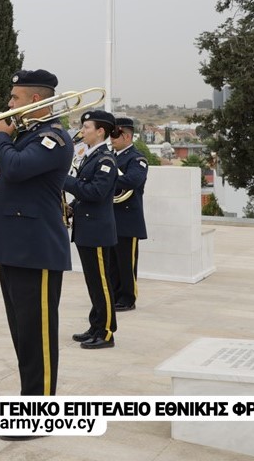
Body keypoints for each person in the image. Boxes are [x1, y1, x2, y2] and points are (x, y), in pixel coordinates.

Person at [0, 70, 73, 399]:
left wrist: (0, 139)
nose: (9, 104)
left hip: (37, 249)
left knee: (38, 336)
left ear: (35, 100)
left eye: (14, 98)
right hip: (14, 245)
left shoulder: (53, 138)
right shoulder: (28, 136)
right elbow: (8, 173)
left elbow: (17, 167)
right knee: (22, 332)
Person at [63, 109, 119, 350]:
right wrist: (72, 207)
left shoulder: (106, 160)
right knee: (93, 282)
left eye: (86, 128)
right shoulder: (90, 157)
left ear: (100, 132)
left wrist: (64, 180)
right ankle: (96, 325)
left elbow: (96, 193)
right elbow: (86, 194)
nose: (82, 131)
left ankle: (106, 332)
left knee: (101, 283)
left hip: (96, 230)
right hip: (87, 228)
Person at [110, 117, 148, 312]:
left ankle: (128, 298)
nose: (111, 138)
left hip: (127, 218)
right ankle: (115, 295)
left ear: (126, 135)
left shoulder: (136, 158)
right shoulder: (110, 156)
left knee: (126, 262)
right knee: (113, 263)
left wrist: (106, 179)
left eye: (114, 134)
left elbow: (133, 180)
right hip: (110, 217)